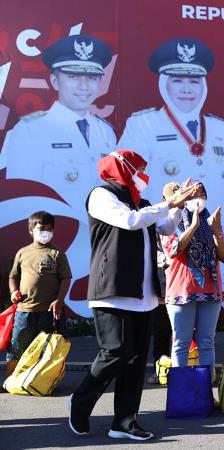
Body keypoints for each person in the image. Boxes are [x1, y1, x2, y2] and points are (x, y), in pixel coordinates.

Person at [68, 150, 199, 440]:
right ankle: (81, 399)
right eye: (139, 168)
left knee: (137, 361)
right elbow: (129, 221)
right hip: (113, 289)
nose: (143, 174)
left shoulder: (143, 203)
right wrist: (168, 203)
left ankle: (124, 422)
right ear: (123, 168)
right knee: (116, 351)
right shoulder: (101, 195)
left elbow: (166, 227)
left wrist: (179, 205)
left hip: (144, 294)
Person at [118, 37, 224, 292]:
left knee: (211, 304)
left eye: (194, 81)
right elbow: (129, 187)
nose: (187, 89)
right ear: (163, 83)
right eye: (177, 80)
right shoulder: (142, 125)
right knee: (172, 303)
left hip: (211, 241)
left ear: (204, 85)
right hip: (169, 239)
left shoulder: (222, 130)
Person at [0, 35, 116, 316]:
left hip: (99, 252)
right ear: (54, 80)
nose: (84, 85)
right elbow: (21, 203)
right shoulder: (29, 131)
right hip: (53, 255)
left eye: (91, 77)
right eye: (73, 76)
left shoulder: (105, 131)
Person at [162, 181, 224, 390]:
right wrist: (193, 226)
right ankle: (180, 393)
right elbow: (174, 249)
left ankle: (205, 393)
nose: (199, 198)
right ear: (185, 197)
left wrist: (216, 230)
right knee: (181, 343)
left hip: (210, 291)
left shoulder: (210, 221)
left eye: (202, 194)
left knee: (207, 342)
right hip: (181, 291)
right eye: (194, 194)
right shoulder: (170, 222)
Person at [5, 212, 71, 376]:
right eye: (41, 229)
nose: (45, 232)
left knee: (45, 350)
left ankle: (40, 382)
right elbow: (13, 276)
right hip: (24, 311)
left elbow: (66, 278)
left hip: (48, 312)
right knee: (17, 347)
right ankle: (12, 379)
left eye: (49, 229)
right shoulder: (22, 253)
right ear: (31, 231)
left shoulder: (57, 253)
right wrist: (13, 292)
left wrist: (59, 300)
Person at [146, 183, 180, 385]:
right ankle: (161, 370)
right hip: (162, 281)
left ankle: (184, 369)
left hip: (183, 284)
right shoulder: (157, 215)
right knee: (161, 330)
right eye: (174, 197)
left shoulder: (188, 215)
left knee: (182, 332)